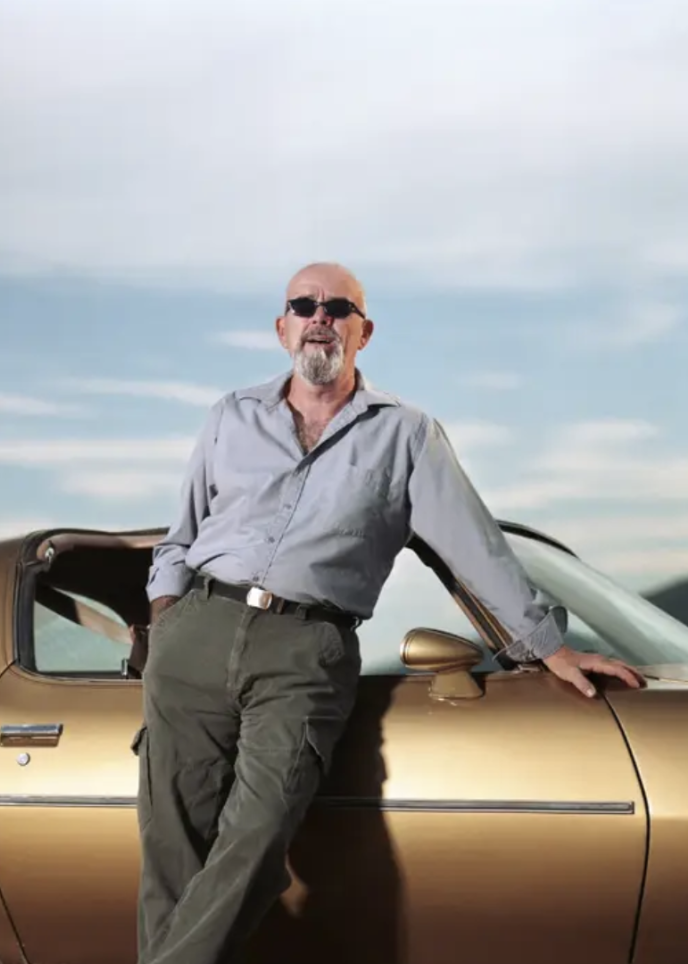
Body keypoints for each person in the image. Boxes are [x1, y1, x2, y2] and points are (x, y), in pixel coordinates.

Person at [131, 262, 644, 964]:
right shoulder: (230, 416)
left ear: (362, 332)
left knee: (254, 842)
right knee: (171, 849)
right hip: (197, 630)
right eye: (304, 304)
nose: (321, 316)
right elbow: (182, 535)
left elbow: (476, 547)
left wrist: (549, 647)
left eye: (339, 307)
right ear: (282, 327)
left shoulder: (407, 435)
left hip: (305, 651)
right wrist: (167, 624)